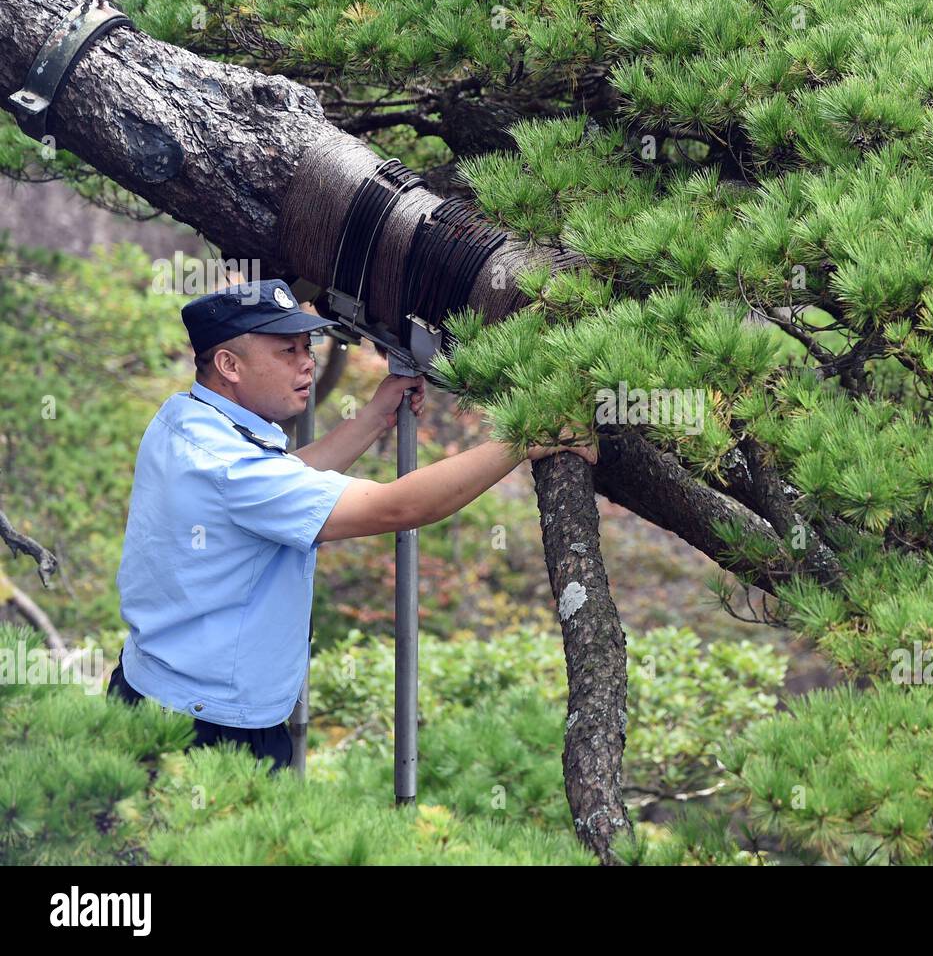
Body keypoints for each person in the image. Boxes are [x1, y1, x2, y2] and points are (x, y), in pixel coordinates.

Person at [107, 278, 596, 772]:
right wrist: (519, 441)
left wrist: (371, 419)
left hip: (154, 690)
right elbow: (397, 508)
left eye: (306, 346)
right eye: (285, 351)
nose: (307, 361)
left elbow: (283, 479)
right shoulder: (232, 470)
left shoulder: (184, 417)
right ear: (229, 365)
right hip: (207, 733)